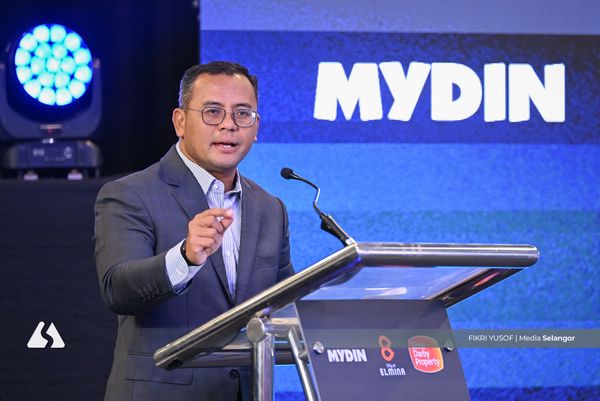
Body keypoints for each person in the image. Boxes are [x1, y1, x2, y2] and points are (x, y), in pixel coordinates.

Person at [93, 61, 294, 401]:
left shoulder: (270, 208)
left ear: (256, 127)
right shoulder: (130, 194)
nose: (229, 125)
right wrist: (184, 257)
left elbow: (287, 301)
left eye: (243, 113)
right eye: (213, 112)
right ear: (180, 122)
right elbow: (118, 290)